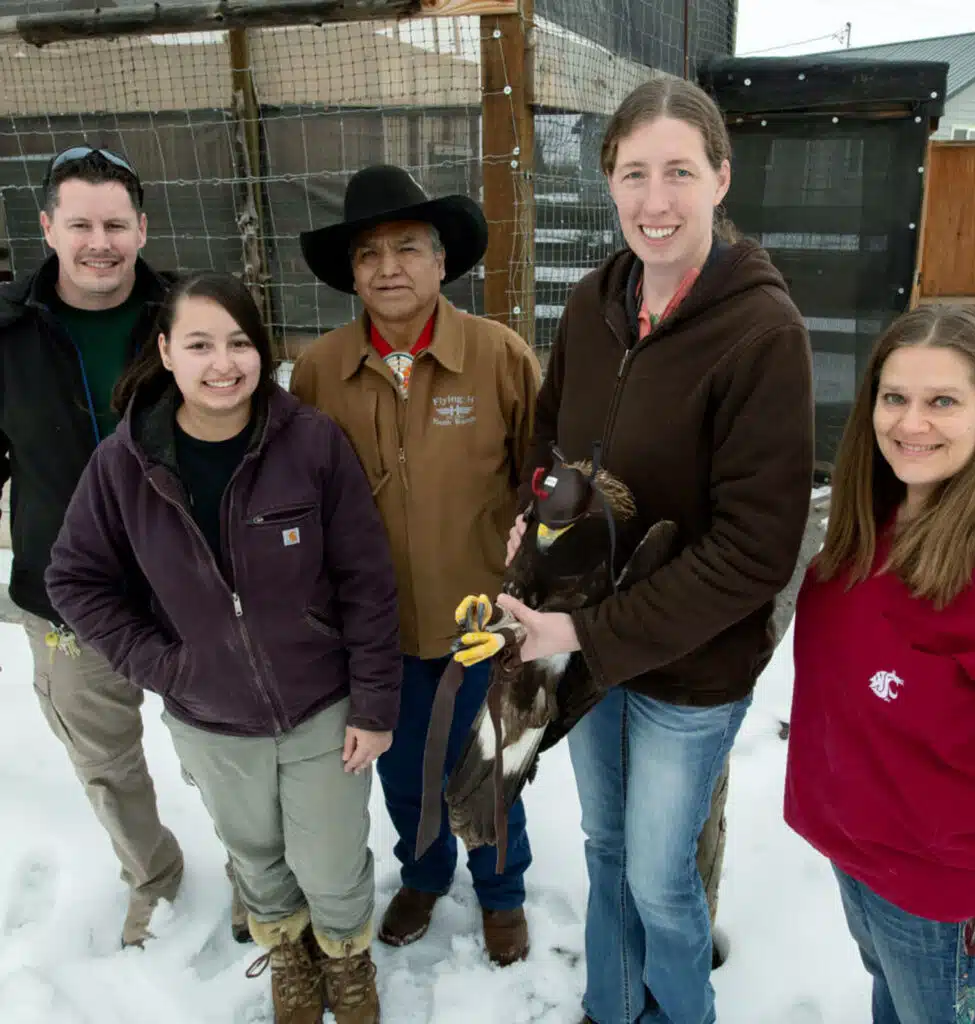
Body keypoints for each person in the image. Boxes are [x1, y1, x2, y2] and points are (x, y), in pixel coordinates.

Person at [499, 78, 814, 1023]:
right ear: (609, 184)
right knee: (603, 847)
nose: (655, 200)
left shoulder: (763, 334)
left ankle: (678, 1013)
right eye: (634, 174)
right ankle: (609, 1005)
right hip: (591, 644)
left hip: (691, 668)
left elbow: (757, 552)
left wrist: (584, 626)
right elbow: (550, 441)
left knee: (658, 876)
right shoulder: (595, 302)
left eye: (680, 171)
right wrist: (539, 517)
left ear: (721, 178)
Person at [45, 272, 401, 1024]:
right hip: (210, 717)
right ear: (166, 351)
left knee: (333, 861)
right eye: (200, 343)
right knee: (257, 858)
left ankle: (345, 953)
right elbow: (74, 579)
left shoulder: (309, 442)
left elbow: (367, 581)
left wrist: (373, 702)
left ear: (262, 353)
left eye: (239, 343)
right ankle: (290, 953)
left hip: (321, 707)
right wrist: (163, 664)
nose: (222, 363)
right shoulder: (126, 463)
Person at [291, 164, 541, 966]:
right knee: (404, 774)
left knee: (489, 767)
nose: (388, 267)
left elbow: (538, 487)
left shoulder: (500, 357)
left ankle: (501, 892)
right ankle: (425, 875)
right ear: (352, 275)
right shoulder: (319, 372)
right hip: (376, 631)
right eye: (369, 254)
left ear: (442, 263)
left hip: (483, 622)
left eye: (408, 248)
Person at [785, 304, 975, 1024]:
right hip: (857, 854)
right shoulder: (873, 518)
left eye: (942, 401)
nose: (910, 423)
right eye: (895, 398)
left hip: (944, 889)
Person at [0, 145, 186, 947]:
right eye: (80, 223)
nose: (99, 242)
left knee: (234, 750)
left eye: (116, 223)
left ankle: (262, 871)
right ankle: (154, 877)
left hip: (191, 585)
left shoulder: (189, 315)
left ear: (143, 229)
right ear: (47, 228)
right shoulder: (7, 336)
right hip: (66, 597)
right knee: (105, 761)